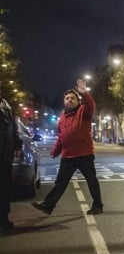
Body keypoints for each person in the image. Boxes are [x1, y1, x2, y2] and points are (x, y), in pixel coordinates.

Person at [32, 79, 104, 215]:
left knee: (91, 180)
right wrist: (55, 151)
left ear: (78, 101)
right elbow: (62, 136)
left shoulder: (84, 111)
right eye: (67, 98)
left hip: (84, 154)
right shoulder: (63, 117)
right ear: (64, 101)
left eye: (72, 98)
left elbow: (90, 105)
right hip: (68, 155)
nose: (69, 100)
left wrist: (84, 93)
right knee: (60, 182)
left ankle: (98, 206)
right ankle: (48, 205)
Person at [0, 93, 22, 231]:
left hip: (5, 156)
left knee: (4, 189)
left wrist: (17, 144)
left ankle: (3, 220)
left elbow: (13, 129)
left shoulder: (6, 107)